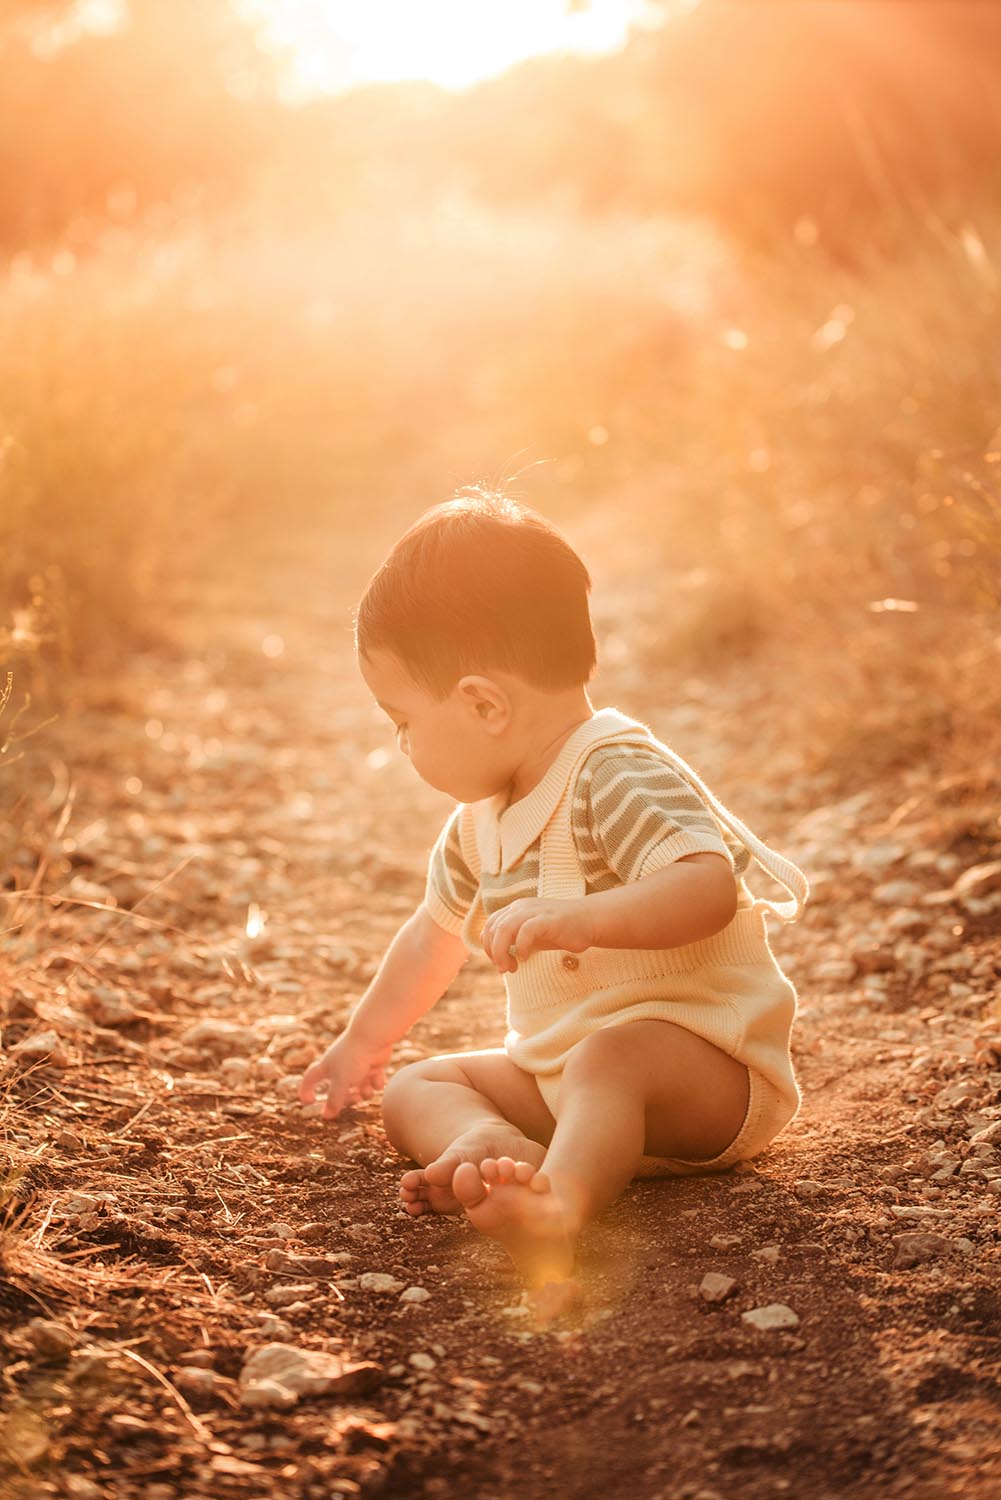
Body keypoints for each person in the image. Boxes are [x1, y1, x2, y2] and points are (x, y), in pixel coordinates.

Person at [299, 490, 808, 1317]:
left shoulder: (615, 771)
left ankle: (557, 1205)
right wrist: (364, 1042)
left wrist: (586, 919)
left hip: (704, 1071)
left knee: (610, 1056)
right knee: (419, 1086)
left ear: (482, 703)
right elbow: (431, 940)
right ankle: (493, 1142)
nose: (399, 744)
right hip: (565, 1076)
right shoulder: (477, 828)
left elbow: (707, 886)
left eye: (400, 720)